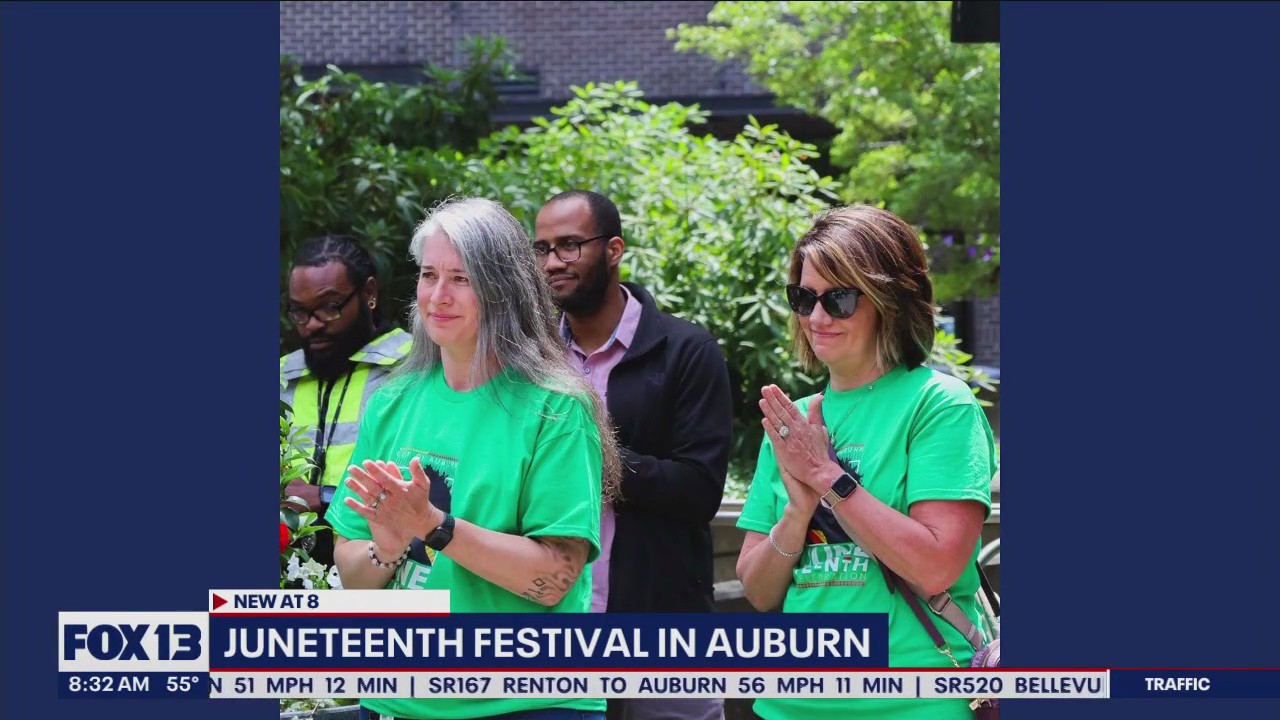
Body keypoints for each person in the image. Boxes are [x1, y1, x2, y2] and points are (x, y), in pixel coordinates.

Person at [325, 197, 621, 720]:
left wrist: (433, 526)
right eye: (429, 275)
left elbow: (555, 580)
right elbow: (353, 576)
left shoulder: (555, 409)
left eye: (461, 279)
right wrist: (387, 549)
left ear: (502, 288)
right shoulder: (392, 402)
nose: (438, 295)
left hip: (528, 702)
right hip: (397, 701)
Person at [737, 205, 997, 720]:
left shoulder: (939, 404)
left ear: (889, 301)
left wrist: (825, 476)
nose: (816, 318)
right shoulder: (794, 420)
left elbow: (936, 566)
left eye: (839, 299)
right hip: (790, 705)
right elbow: (758, 591)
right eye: (804, 298)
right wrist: (797, 513)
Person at [534, 190, 733, 720]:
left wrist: (586, 456)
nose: (553, 262)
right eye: (543, 248)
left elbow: (698, 490)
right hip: (554, 621)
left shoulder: (686, 351)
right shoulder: (531, 361)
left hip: (663, 624)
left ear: (614, 249)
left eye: (570, 245)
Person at [281, 235, 412, 566]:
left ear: (369, 293)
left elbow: (431, 482)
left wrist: (326, 497)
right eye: (299, 311)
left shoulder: (414, 369)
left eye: (330, 307)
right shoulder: (282, 376)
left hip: (381, 567)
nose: (312, 325)